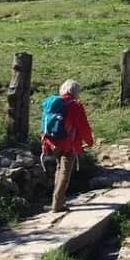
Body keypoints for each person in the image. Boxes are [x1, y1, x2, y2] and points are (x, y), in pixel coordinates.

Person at [41, 79, 94, 212]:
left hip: (52, 142)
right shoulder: (75, 106)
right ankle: (57, 205)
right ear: (76, 91)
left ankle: (57, 200)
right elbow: (83, 126)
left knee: (59, 170)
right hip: (67, 143)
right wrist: (89, 141)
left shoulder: (52, 103)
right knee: (64, 172)